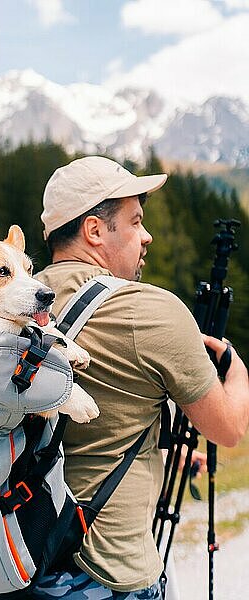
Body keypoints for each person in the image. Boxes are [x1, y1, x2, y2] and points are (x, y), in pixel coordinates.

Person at [33, 156, 249, 600]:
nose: (146, 235)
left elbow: (85, 423)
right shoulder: (147, 311)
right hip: (108, 575)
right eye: (135, 221)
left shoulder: (20, 306)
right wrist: (238, 371)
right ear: (95, 230)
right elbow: (228, 428)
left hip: (23, 562)